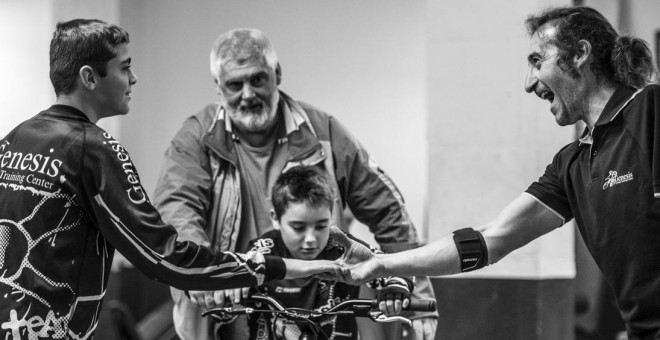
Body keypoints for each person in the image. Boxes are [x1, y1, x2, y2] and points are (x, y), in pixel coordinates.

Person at [0, 19, 337, 340]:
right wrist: (274, 266)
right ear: (89, 77)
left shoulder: (12, 139)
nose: (134, 78)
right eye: (125, 67)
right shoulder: (96, 150)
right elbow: (166, 258)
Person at [340, 5, 660, 340]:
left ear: (580, 54)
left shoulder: (649, 110)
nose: (528, 83)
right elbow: (491, 238)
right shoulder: (572, 164)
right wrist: (385, 263)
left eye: (538, 61)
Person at [153, 28, 437, 340]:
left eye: (258, 79)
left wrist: (416, 297)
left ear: (277, 74)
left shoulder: (323, 131)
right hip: (231, 304)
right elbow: (176, 210)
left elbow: (387, 211)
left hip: (321, 304)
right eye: (235, 84)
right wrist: (209, 273)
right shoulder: (198, 137)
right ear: (218, 87)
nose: (248, 94)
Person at [213, 166, 413, 340]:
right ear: (276, 218)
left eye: (321, 225)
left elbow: (388, 266)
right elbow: (223, 310)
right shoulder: (260, 252)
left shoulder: (345, 247)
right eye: (298, 227)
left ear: (331, 213)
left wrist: (396, 286)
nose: (311, 238)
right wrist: (228, 292)